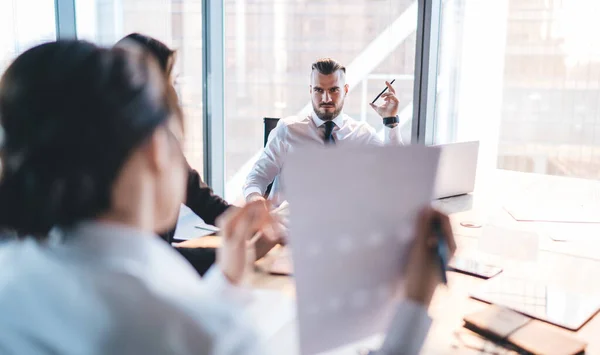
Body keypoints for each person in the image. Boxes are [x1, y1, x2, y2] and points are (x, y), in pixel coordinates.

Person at [0, 40, 456, 354]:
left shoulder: (14, 271)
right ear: (154, 151)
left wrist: (228, 281)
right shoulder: (178, 323)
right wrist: (415, 303)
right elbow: (189, 331)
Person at [115, 33, 277, 275]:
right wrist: (238, 254)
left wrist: (252, 222)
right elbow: (148, 261)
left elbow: (203, 200)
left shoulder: (160, 143)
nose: (174, 92)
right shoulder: (121, 159)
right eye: (171, 81)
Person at [244, 58, 403, 205]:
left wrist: (390, 121)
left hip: (342, 228)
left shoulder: (362, 134)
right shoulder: (287, 130)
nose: (326, 98)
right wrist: (256, 202)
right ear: (311, 91)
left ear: (346, 90)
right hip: (289, 229)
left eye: (334, 90)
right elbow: (255, 179)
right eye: (319, 90)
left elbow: (395, 172)